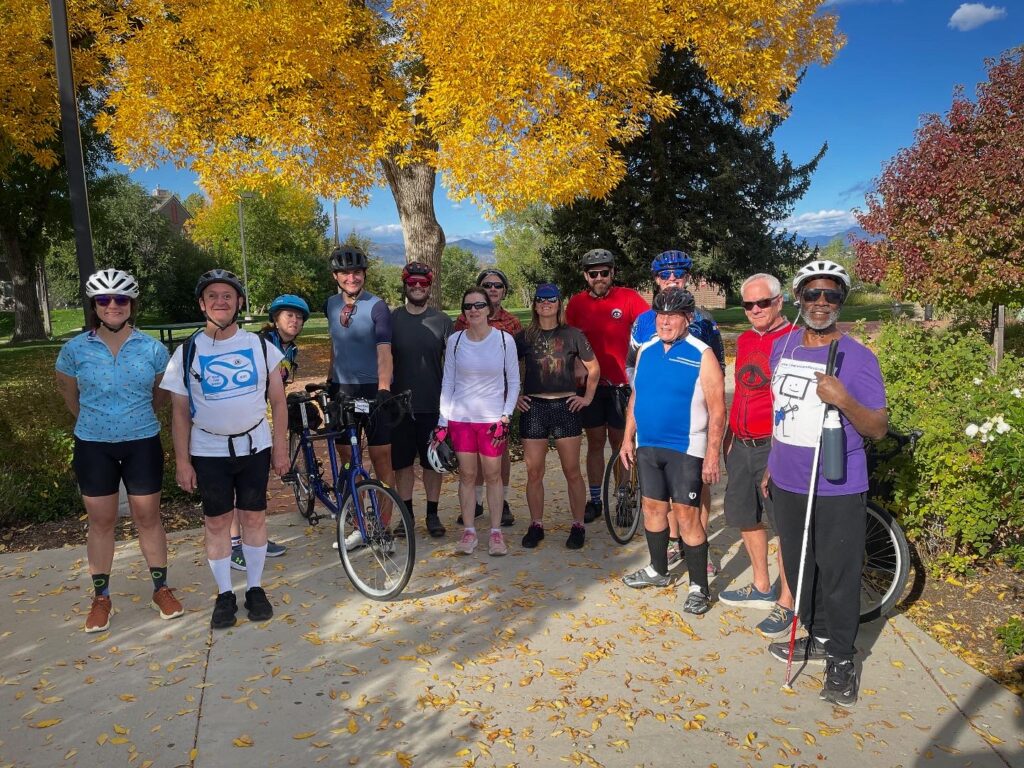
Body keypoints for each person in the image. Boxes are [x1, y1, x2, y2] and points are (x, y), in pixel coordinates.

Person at [762, 259, 888, 708]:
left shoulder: (858, 358)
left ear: (841, 301)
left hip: (836, 483)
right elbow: (783, 413)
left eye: (831, 295)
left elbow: (876, 426)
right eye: (812, 294)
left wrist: (843, 399)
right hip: (788, 481)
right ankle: (816, 637)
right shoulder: (785, 348)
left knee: (838, 574)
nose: (820, 303)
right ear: (798, 298)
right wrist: (770, 467)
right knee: (801, 567)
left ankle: (841, 660)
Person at [55, 269, 184, 632]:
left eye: (120, 299)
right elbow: (68, 393)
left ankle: (161, 588)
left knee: (148, 518)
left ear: (132, 304)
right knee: (101, 522)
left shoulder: (152, 348)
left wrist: (134, 416)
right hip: (93, 446)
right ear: (95, 306)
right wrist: (93, 421)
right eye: (104, 300)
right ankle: (101, 598)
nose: (112, 306)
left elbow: (162, 393)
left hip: (141, 441)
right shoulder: (75, 349)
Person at [161, 269, 289, 630]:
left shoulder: (261, 347)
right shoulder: (186, 352)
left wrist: (280, 447)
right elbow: (179, 412)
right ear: (202, 303)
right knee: (216, 521)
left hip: (254, 446)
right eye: (213, 296)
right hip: (209, 449)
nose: (221, 301)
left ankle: (255, 588)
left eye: (228, 296)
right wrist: (183, 461)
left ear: (239, 303)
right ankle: (224, 593)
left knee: (254, 517)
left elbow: (278, 403)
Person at [619, 288, 725, 616]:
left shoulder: (701, 353)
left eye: (672, 316)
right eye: (660, 315)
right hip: (648, 444)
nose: (665, 322)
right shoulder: (647, 350)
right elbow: (637, 397)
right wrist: (626, 439)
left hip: (685, 447)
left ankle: (698, 587)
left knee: (686, 516)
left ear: (687, 319)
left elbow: (718, 409)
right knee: (652, 509)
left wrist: (711, 456)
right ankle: (658, 570)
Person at [717, 274, 795, 637]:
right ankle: (762, 585)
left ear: (779, 302)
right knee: (746, 515)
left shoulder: (794, 340)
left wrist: (782, 448)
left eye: (763, 303)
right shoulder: (746, 339)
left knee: (784, 525)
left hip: (775, 444)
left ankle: (788, 601)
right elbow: (744, 393)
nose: (756, 310)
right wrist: (728, 436)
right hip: (742, 444)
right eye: (749, 304)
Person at [565, 248, 649, 524]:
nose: (599, 277)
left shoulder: (628, 298)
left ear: (612, 273)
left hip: (621, 385)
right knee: (595, 443)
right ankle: (596, 499)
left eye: (604, 272)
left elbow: (649, 329)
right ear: (585, 276)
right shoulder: (576, 304)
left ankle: (623, 495)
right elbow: (570, 342)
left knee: (620, 443)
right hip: (591, 386)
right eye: (593, 273)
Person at [515, 283, 600, 550]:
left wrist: (586, 397)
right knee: (534, 471)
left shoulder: (573, 334)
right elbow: (505, 367)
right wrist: (514, 396)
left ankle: (578, 525)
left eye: (551, 299)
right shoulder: (524, 336)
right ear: (535, 304)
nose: (546, 304)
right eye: (541, 300)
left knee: (572, 471)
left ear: (559, 304)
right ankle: (536, 524)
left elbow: (593, 367)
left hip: (566, 406)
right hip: (534, 408)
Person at [229, 293, 309, 571]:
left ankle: (254, 540)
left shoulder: (290, 349)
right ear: (275, 319)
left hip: (259, 420)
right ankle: (234, 545)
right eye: (289, 315)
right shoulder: (262, 344)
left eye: (299, 317)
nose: (295, 321)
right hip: (239, 420)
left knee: (255, 487)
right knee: (235, 485)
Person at [325, 246, 398, 550]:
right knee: (347, 462)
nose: (351, 277)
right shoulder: (329, 304)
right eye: (345, 273)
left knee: (382, 461)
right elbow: (335, 344)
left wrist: (383, 388)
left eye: (356, 272)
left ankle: (382, 529)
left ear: (364, 274)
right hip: (343, 389)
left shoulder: (377, 306)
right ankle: (358, 526)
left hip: (373, 389)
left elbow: (384, 350)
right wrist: (330, 379)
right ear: (336, 277)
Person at [440, 287, 521, 556]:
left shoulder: (503, 340)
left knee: (493, 475)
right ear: (463, 312)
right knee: (467, 475)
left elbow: (514, 380)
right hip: (461, 418)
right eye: (468, 306)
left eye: (479, 305)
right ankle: (469, 532)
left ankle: (496, 533)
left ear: (489, 309)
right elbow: (448, 381)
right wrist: (443, 421)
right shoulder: (455, 341)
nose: (473, 310)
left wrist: (506, 416)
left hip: (491, 419)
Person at [454, 268, 522, 526]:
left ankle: (501, 501)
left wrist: (517, 395)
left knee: (498, 455)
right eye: (487, 285)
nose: (493, 289)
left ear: (504, 291)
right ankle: (477, 501)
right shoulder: (463, 321)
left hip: (501, 398)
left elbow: (519, 362)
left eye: (498, 285)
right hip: (469, 401)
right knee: (472, 457)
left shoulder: (512, 323)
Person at [390, 262, 453, 539]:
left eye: (423, 284)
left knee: (432, 463)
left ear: (430, 287)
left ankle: (432, 513)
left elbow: (453, 364)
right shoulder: (392, 319)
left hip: (432, 403)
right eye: (412, 283)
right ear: (405, 285)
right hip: (398, 406)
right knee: (402, 464)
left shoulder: (442, 321)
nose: (417, 287)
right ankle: (406, 515)